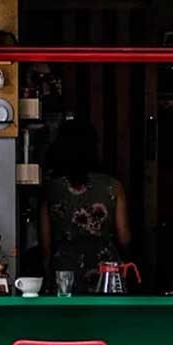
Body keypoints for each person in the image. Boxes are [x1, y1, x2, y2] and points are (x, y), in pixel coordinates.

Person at [40, 119, 131, 291]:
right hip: (105, 271)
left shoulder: (51, 189)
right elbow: (124, 237)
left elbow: (46, 246)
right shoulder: (113, 187)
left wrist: (47, 273)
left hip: (65, 270)